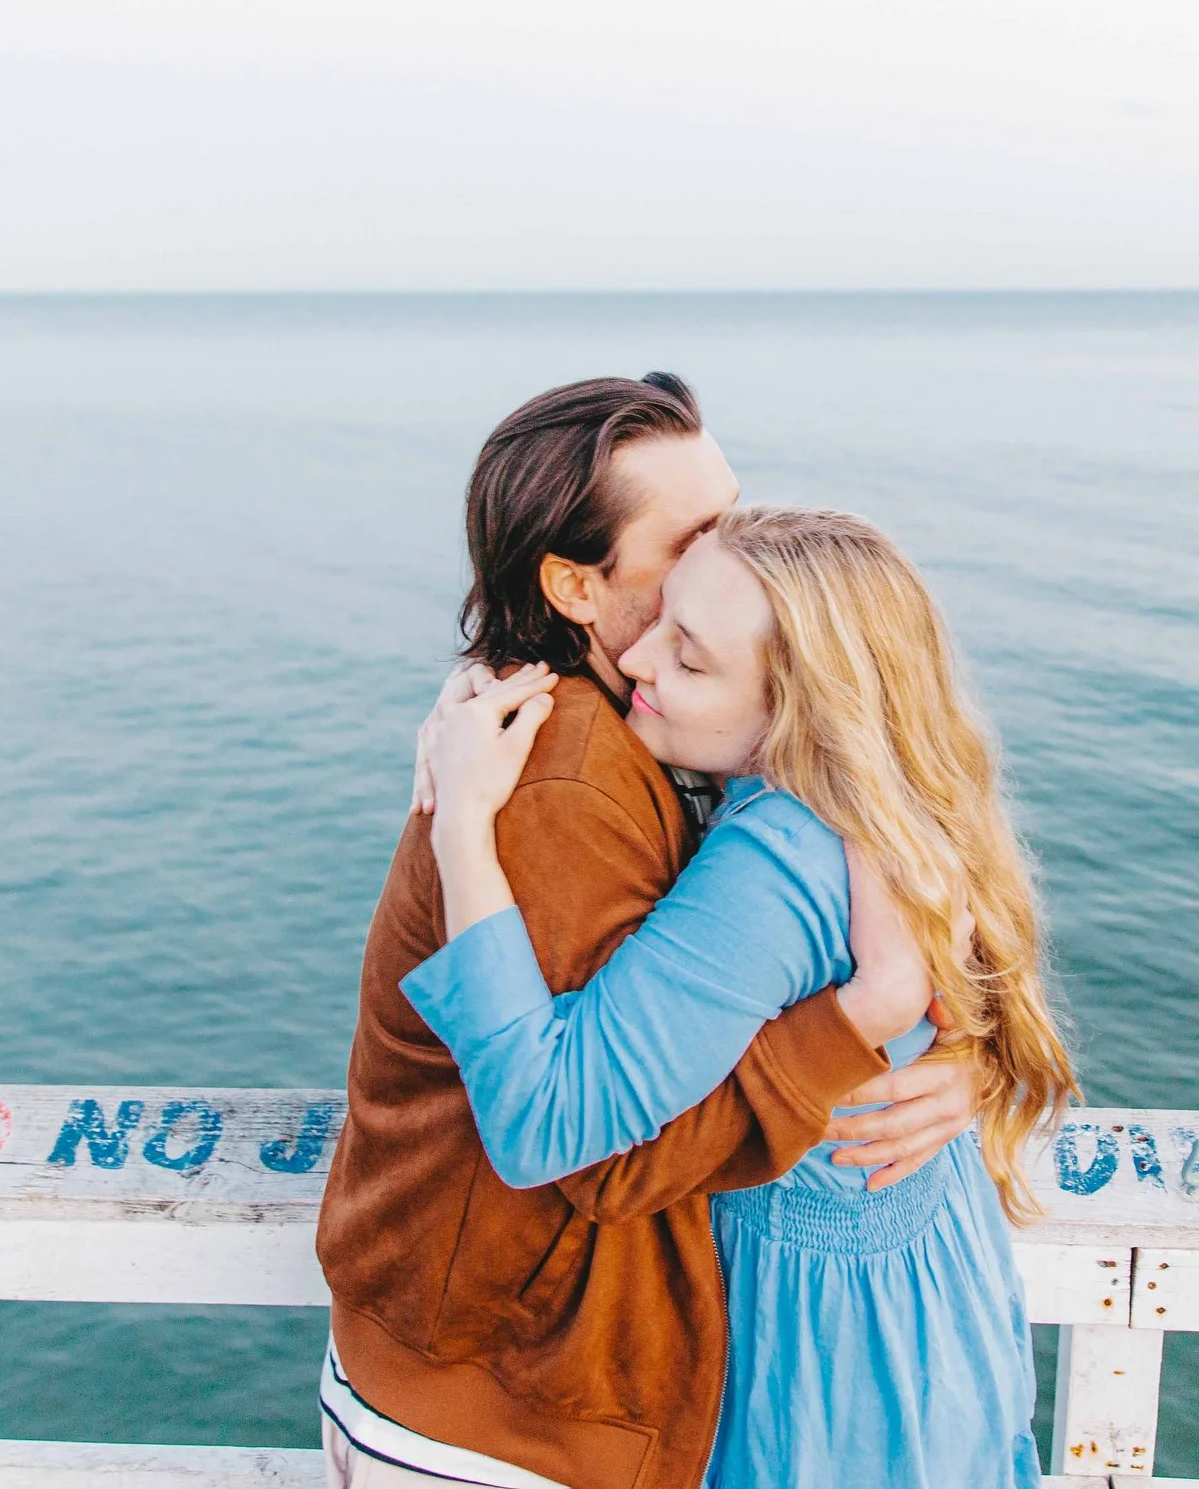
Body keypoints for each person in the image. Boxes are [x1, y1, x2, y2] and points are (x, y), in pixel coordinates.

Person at [315, 376, 982, 1489]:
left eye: (733, 511)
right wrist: (861, 1019)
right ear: (577, 586)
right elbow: (583, 1139)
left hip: (503, 1380)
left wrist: (960, 1055)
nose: (729, 551)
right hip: (493, 1412)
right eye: (691, 537)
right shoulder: (567, 782)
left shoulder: (671, 740)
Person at [410, 505, 1079, 1488]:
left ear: (801, 706)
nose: (636, 657)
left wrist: (462, 826)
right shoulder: (885, 797)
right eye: (659, 619)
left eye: (689, 659)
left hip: (828, 1374)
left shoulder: (780, 856)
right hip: (935, 1310)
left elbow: (541, 1121)